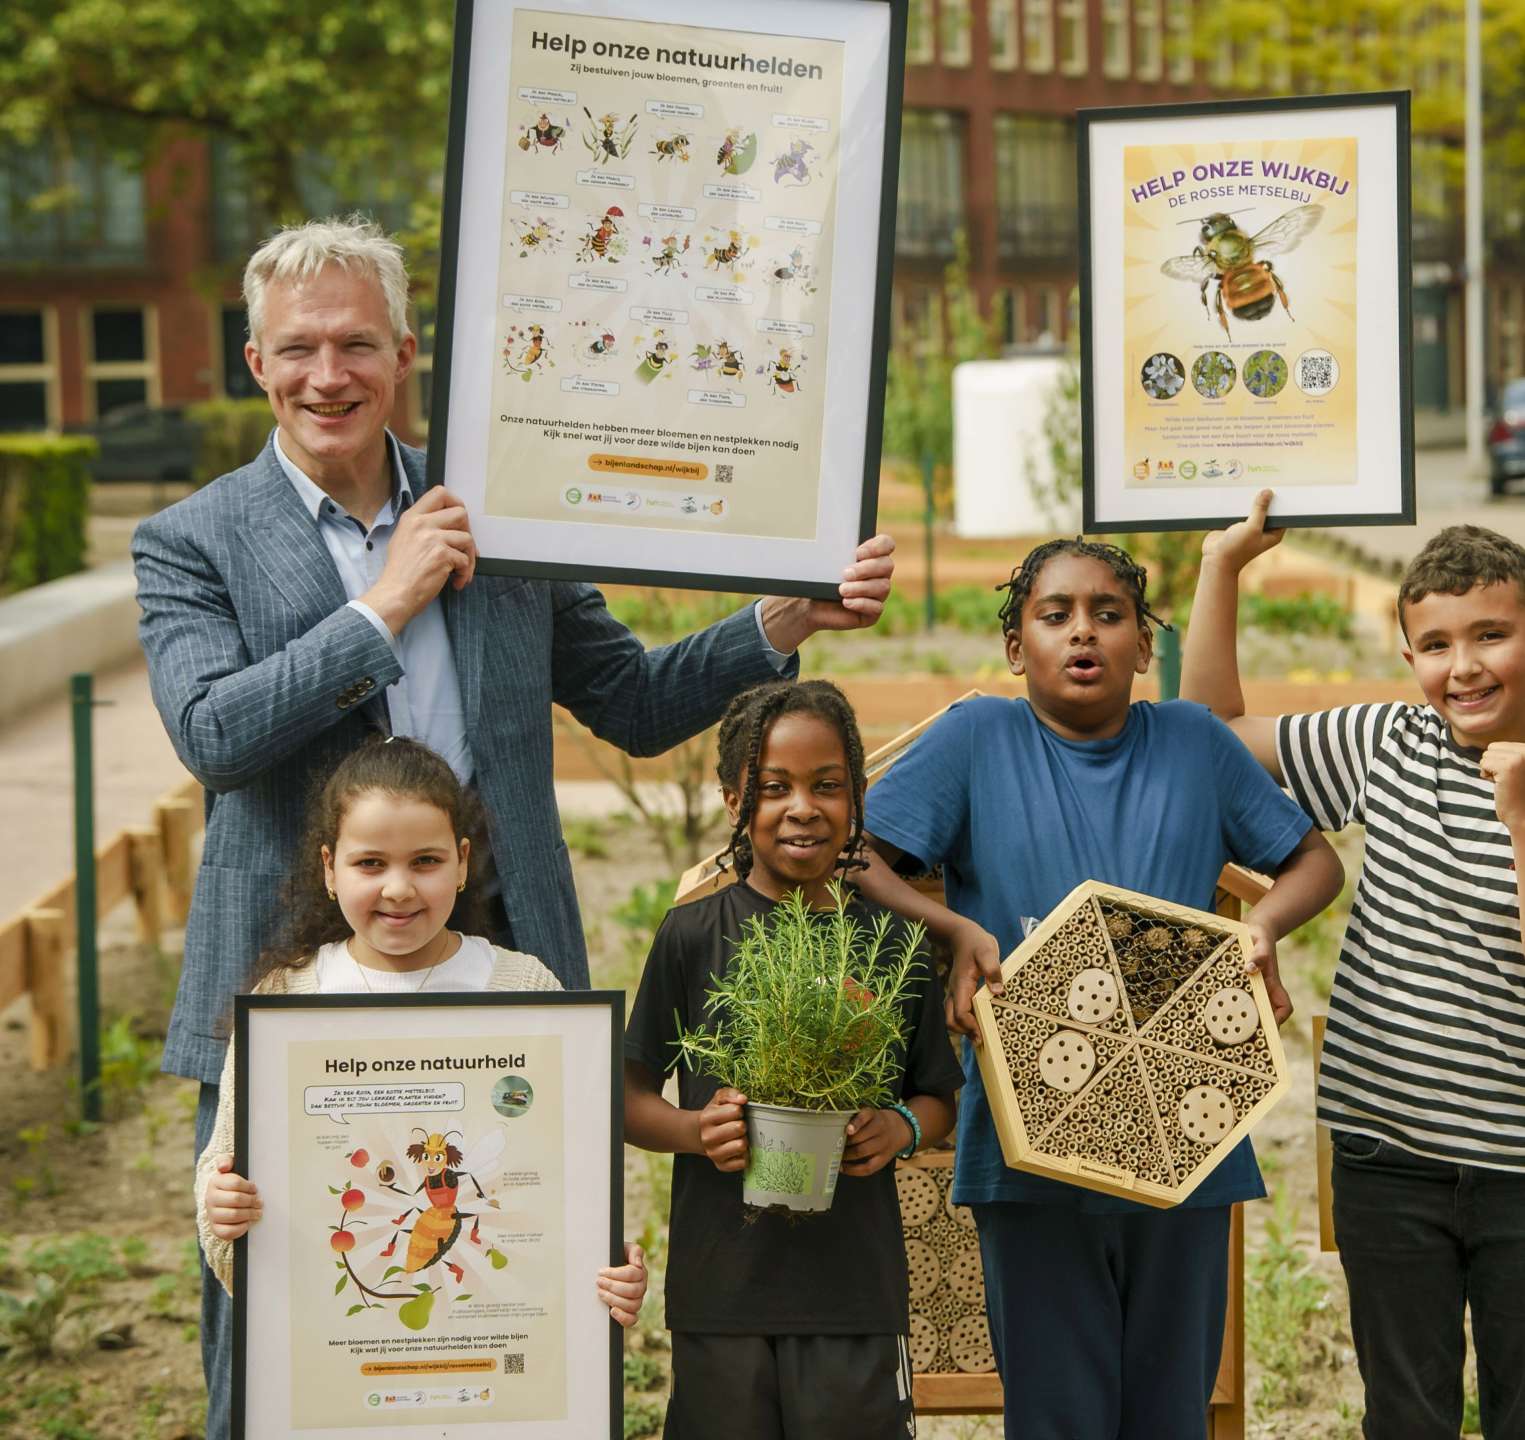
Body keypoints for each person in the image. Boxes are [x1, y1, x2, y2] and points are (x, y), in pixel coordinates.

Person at [133, 217, 893, 1435]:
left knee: (511, 1297)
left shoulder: (504, 510)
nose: (327, 375)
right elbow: (213, 737)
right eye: (298, 349)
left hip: (502, 966)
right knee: (285, 1329)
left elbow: (636, 704)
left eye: (356, 345)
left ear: (406, 355)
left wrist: (782, 619)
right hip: (293, 983)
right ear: (253, 361)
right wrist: (383, 608)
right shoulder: (189, 541)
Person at [849, 539, 1344, 1439]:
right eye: (1055, 615)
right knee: (1057, 1417)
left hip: (1183, 1130)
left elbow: (1314, 859)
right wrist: (956, 931)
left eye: (1110, 614)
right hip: (1028, 1140)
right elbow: (861, 861)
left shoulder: (1192, 740)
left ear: (1144, 647)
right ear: (1015, 649)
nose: (1084, 632)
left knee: (1169, 1413)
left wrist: (1262, 926)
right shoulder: (976, 739)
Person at [1186, 501, 1525, 1439]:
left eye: (1491, 635)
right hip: (1383, 1151)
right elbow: (1210, 734)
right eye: (1435, 644)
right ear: (1409, 657)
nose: (1464, 665)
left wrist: (1524, 818)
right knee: (1404, 1415)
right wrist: (1221, 565)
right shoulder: (1387, 742)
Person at [194, 738, 649, 1347]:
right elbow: (222, 1161)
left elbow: (573, 1175)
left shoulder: (525, 988)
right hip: (343, 1351)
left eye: (426, 861)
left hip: (488, 1351)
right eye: (371, 863)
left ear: (463, 863)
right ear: (329, 868)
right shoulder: (287, 998)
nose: (400, 888)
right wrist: (220, 1205)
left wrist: (604, 1263)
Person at [623, 680, 963, 1440]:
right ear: (732, 797)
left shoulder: (891, 943)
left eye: (827, 786)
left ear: (858, 797)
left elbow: (945, 1093)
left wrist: (901, 1127)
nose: (802, 807)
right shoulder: (691, 934)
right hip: (722, 1292)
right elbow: (628, 1093)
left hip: (854, 1293)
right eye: (773, 788)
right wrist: (694, 1132)